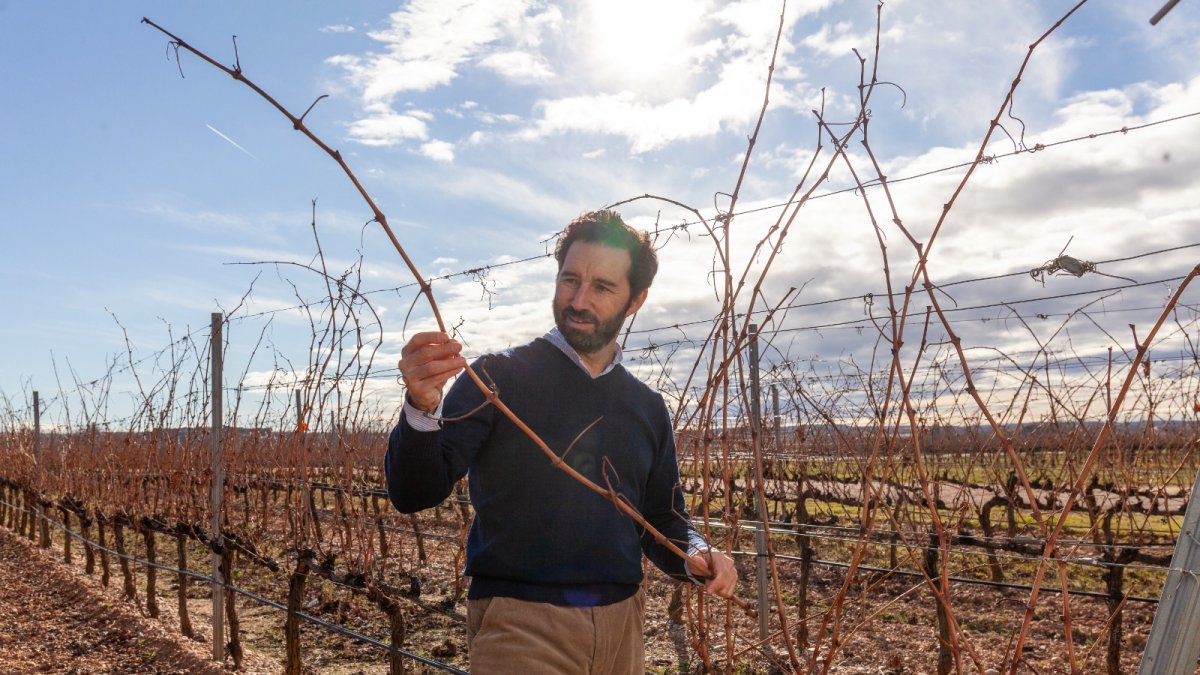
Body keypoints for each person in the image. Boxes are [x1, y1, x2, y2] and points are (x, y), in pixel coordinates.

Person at [385, 209, 737, 673]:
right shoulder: (495, 378)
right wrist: (421, 407)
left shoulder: (647, 406)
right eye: (570, 280)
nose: (578, 300)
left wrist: (694, 552)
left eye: (602, 287)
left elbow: (662, 517)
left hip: (623, 628)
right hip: (521, 623)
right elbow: (414, 493)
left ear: (636, 300)